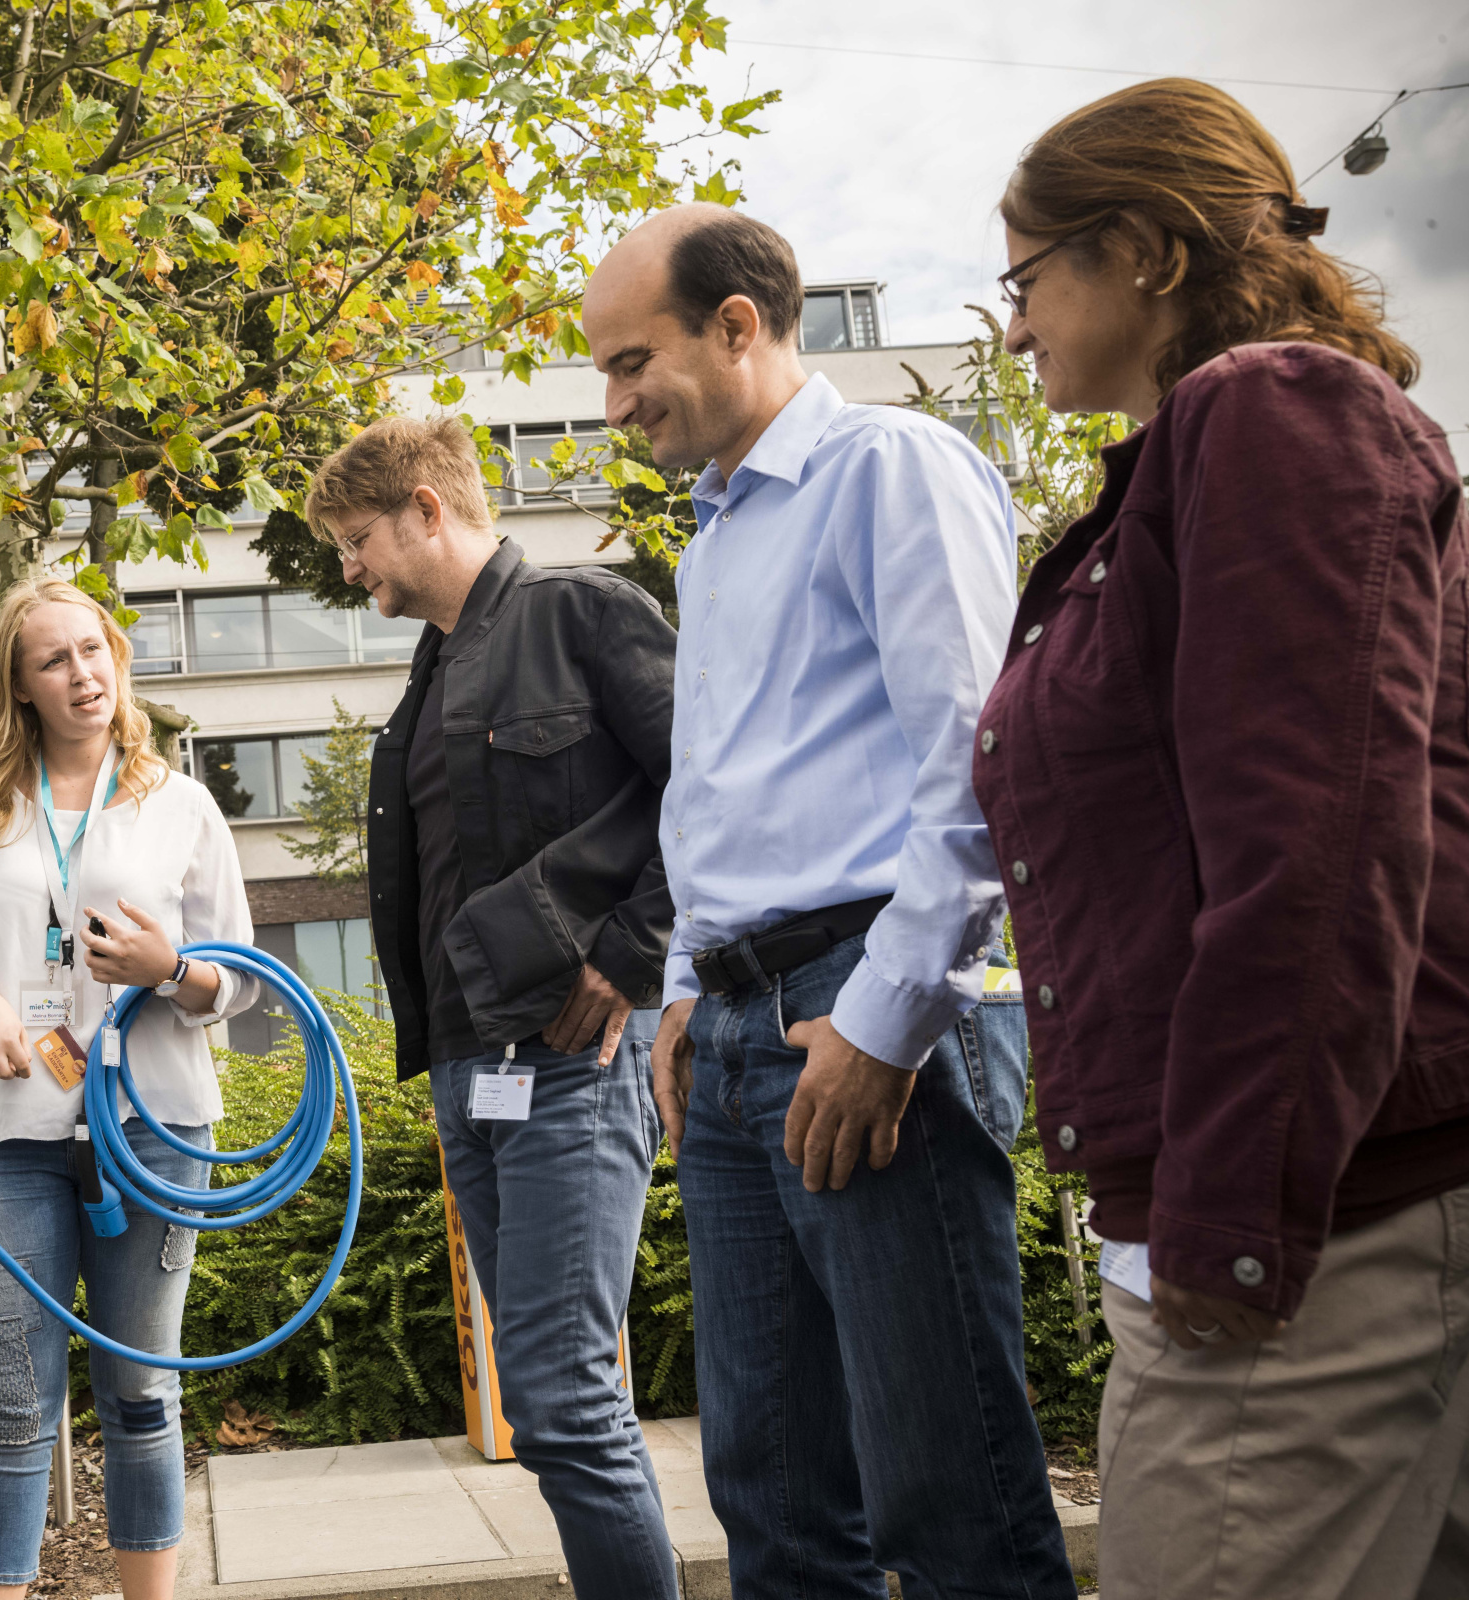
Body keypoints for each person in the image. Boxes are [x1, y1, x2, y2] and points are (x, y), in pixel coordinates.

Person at [973, 78, 1469, 1597]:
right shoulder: (1206, 453)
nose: (1013, 326)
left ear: (1143, 252)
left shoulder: (1271, 409)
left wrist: (1233, 1219)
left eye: (1025, 276)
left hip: (1320, 1227)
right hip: (1325, 1202)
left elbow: (1315, 852)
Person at [583, 205, 1078, 1596]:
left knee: (950, 1499)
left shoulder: (893, 469)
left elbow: (979, 771)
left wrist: (889, 1023)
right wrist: (683, 990)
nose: (616, 406)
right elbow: (718, 792)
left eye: (634, 364)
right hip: (739, 1034)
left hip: (862, 1015)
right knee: (775, 1504)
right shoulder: (717, 528)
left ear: (739, 324)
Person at [304, 414, 683, 1597]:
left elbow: (710, 784)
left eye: (357, 540)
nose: (348, 569)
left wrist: (632, 952)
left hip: (578, 1058)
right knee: (542, 1397)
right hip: (471, 1072)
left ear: (426, 507)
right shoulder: (429, 676)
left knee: (565, 1395)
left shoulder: (583, 612)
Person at [0, 578, 258, 1600]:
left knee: (142, 1393)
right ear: (20, 686)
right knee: (12, 1405)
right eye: (55, 659)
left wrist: (169, 968)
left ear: (118, 660)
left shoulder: (178, 805)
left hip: (153, 1130)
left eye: (94, 650)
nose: (82, 673)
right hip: (11, 1137)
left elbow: (235, 977)